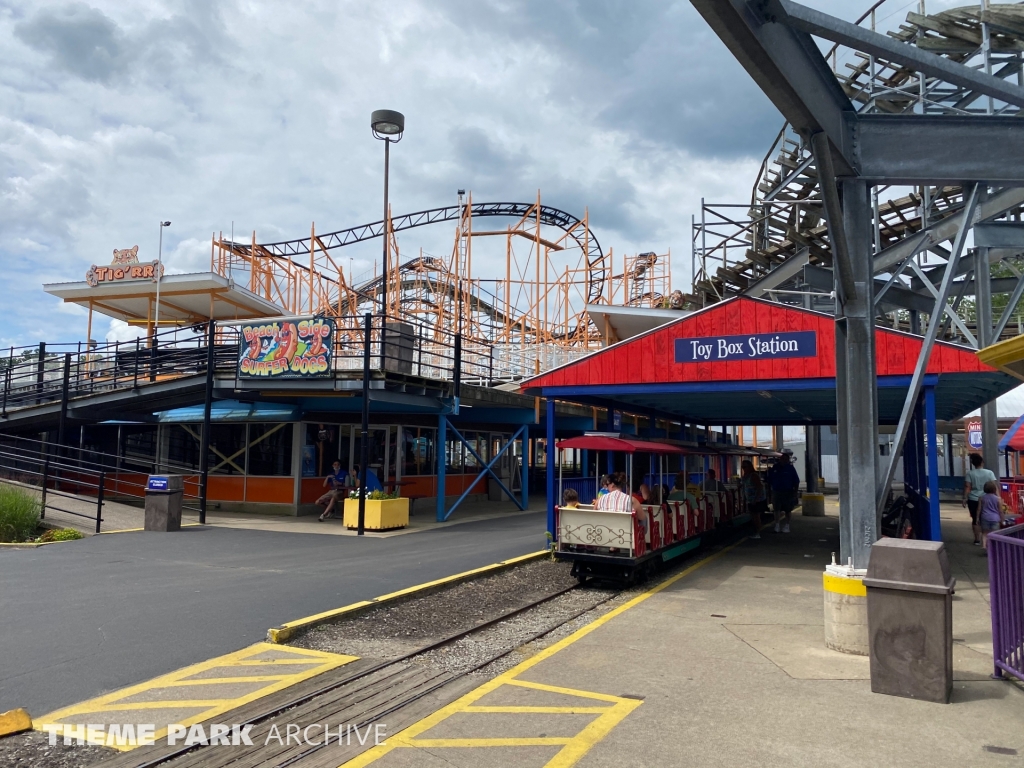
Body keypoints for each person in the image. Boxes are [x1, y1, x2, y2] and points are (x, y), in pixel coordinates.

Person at [964, 453, 997, 546]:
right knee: (986, 517)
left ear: (973, 463)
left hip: (973, 499)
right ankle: (987, 539)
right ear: (982, 462)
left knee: (975, 518)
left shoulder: (970, 473)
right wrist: (998, 497)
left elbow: (967, 487)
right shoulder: (989, 473)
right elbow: (994, 486)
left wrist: (964, 498)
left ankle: (977, 539)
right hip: (987, 498)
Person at [768, 450, 800, 533]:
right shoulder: (775, 468)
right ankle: (777, 525)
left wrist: (795, 493)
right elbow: (769, 480)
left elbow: (796, 481)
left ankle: (787, 525)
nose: (784, 460)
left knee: (788, 510)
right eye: (782, 459)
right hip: (777, 491)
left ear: (788, 460)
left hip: (788, 492)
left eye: (786, 459)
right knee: (776, 509)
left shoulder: (790, 468)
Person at [740, 460, 767, 539]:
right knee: (753, 515)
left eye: (745, 467)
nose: (743, 468)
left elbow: (759, 487)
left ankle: (758, 532)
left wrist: (756, 498)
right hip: (750, 499)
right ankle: (756, 531)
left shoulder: (754, 475)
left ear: (750, 467)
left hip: (755, 499)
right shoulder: (746, 475)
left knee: (756, 516)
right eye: (742, 467)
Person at [979, 480, 1006, 550]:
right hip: (995, 518)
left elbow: (979, 509)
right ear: (994, 489)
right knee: (994, 534)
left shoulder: (981, 498)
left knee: (984, 533)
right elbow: (1000, 511)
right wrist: (1002, 519)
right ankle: (993, 547)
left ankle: (984, 545)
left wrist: (977, 518)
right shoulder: (998, 499)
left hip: (985, 517)